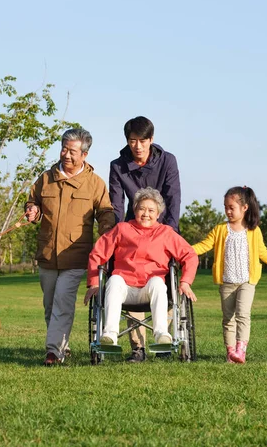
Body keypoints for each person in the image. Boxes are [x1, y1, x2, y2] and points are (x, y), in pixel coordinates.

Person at [25, 128, 115, 366]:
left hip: (75, 256)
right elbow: (33, 199)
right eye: (64, 148)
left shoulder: (94, 184)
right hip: (47, 254)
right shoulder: (46, 178)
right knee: (50, 306)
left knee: (63, 303)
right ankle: (61, 344)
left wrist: (106, 230)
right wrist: (32, 209)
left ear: (84, 154)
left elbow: (105, 210)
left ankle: (53, 352)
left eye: (72, 151)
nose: (66, 154)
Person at [85, 187, 198, 350]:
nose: (146, 214)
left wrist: (185, 281)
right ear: (134, 210)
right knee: (114, 280)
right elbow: (98, 253)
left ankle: (161, 334)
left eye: (151, 210)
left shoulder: (166, 232)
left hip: (150, 289)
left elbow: (190, 255)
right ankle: (109, 335)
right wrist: (94, 283)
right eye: (141, 209)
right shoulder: (122, 229)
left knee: (158, 283)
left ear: (158, 213)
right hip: (125, 287)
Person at [108, 116, 181, 362]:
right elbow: (117, 205)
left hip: (162, 230)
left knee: (164, 282)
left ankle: (163, 339)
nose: (137, 146)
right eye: (132, 141)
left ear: (151, 140)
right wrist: (118, 236)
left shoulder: (167, 161)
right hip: (132, 230)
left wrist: (167, 233)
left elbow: (173, 200)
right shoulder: (118, 166)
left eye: (142, 141)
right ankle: (137, 347)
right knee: (128, 275)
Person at [193, 186, 267, 364]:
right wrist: (183, 251)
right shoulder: (220, 230)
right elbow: (204, 245)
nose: (228, 211)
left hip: (246, 282)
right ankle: (230, 353)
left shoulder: (253, 231)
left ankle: (241, 351)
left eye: (231, 207)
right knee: (228, 319)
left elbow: (263, 253)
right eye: (225, 207)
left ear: (244, 208)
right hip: (226, 282)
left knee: (243, 314)